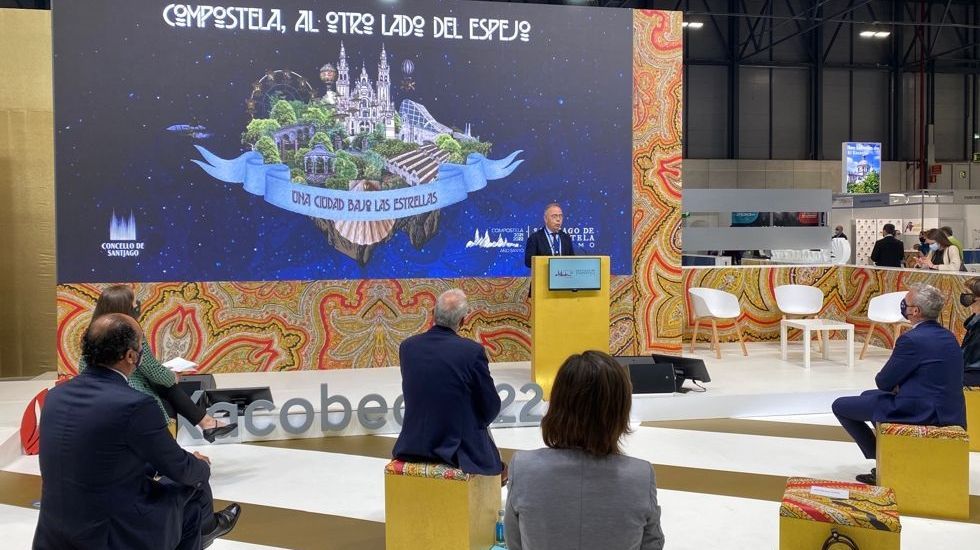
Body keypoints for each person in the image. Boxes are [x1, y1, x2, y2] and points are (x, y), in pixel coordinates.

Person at [33, 314, 241, 550]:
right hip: (111, 534)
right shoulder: (135, 405)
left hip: (53, 531)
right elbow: (181, 469)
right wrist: (202, 465)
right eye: (142, 345)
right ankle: (208, 527)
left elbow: (99, 456)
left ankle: (207, 528)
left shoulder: (55, 396)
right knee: (195, 486)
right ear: (131, 356)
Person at [505, 351, 665, 550]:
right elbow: (652, 544)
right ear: (620, 410)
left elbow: (514, 542)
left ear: (557, 404)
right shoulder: (641, 475)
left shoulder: (523, 467)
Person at [831, 283, 966, 484]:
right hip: (949, 408)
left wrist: (898, 385)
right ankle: (887, 453)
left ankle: (883, 459)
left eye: (906, 302)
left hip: (922, 411)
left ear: (915, 311)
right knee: (867, 396)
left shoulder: (911, 339)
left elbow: (884, 381)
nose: (902, 305)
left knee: (840, 405)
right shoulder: (949, 336)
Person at [80, 285, 235, 442]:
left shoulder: (92, 333)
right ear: (125, 307)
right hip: (129, 396)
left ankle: (206, 423)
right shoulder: (132, 334)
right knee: (167, 385)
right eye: (134, 302)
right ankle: (206, 423)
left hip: (100, 398)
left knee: (165, 385)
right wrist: (172, 376)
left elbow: (84, 366)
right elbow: (151, 368)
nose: (137, 306)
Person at [392, 289, 504, 475]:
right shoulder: (471, 351)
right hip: (455, 451)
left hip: (411, 444)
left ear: (433, 313)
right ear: (463, 320)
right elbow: (490, 406)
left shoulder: (408, 347)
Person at [524, 202, 575, 268]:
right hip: (543, 273)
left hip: (564, 274)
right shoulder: (535, 238)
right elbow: (528, 262)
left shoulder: (566, 238)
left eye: (560, 216)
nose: (558, 219)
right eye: (554, 216)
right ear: (546, 219)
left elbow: (572, 261)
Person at [960, 278, 980, 387]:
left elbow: (969, 355)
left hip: (974, 374)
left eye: (967, 293)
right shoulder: (974, 319)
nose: (964, 295)